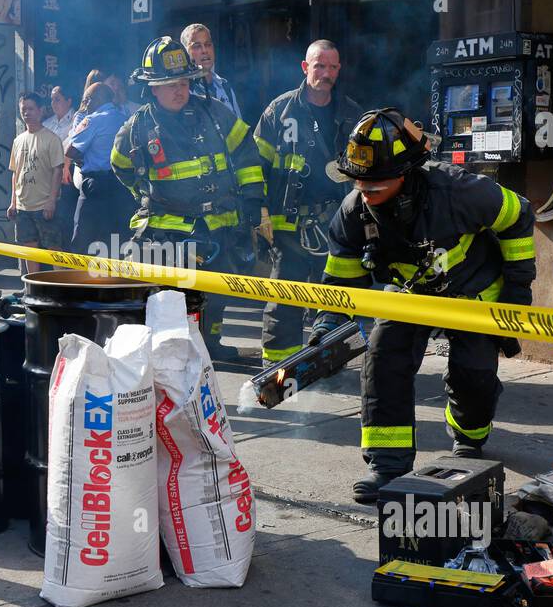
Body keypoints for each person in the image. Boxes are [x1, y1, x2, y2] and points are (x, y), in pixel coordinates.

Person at [309, 108, 536, 504]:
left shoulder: (461, 191)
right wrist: (329, 324)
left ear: (407, 173)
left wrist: (516, 295)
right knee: (384, 356)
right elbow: (342, 281)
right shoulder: (353, 212)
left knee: (473, 376)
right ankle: (388, 465)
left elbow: (519, 216)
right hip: (411, 296)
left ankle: (468, 437)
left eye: (377, 184)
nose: (366, 192)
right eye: (360, 183)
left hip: (473, 292)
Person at [109, 37, 267, 361]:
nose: (179, 90)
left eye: (183, 82)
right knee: (174, 299)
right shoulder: (137, 128)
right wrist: (142, 194)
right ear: (152, 87)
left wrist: (252, 198)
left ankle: (213, 345)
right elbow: (120, 165)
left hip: (220, 224)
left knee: (217, 292)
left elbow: (247, 152)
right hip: (169, 232)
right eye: (169, 84)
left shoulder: (215, 112)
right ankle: (175, 354)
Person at [256, 40, 362, 365]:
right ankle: (277, 366)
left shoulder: (352, 113)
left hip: (337, 224)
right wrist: (260, 212)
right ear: (305, 68)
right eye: (319, 66)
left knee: (336, 296)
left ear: (339, 70)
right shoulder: (279, 111)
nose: (326, 73)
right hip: (290, 225)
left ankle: (329, 361)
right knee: (284, 297)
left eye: (332, 67)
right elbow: (254, 168)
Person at [66, 83, 129, 254]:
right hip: (121, 185)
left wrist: (80, 119)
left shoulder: (92, 119)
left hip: (96, 186)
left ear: (98, 99)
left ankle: (81, 278)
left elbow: (71, 150)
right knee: (116, 239)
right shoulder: (125, 118)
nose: (86, 104)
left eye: (87, 99)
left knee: (83, 237)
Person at [7, 91, 63, 274]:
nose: (27, 113)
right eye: (24, 109)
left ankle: (60, 289)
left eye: (31, 109)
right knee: (29, 250)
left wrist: (52, 200)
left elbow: (58, 170)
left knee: (54, 250)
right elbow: (15, 173)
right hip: (23, 207)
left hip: (44, 205)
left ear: (40, 111)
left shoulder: (52, 139)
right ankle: (33, 289)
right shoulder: (17, 141)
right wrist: (13, 202)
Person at [182, 23, 241, 119]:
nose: (204, 50)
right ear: (185, 53)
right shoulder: (184, 91)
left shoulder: (225, 86)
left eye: (208, 44)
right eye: (197, 46)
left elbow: (240, 131)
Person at [45, 85, 78, 243]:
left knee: (67, 220)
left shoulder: (76, 120)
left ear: (69, 101)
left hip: (67, 177)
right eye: (52, 100)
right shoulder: (46, 123)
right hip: (48, 179)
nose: (53, 103)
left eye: (57, 99)